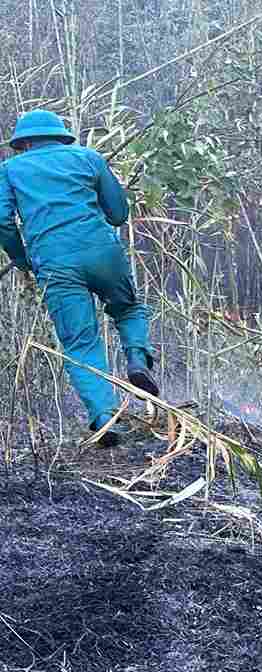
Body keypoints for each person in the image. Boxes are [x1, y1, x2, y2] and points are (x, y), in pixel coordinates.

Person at [0, 109, 157, 448]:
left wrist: (20, 258)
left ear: (24, 143)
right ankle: (137, 359)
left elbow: (2, 220)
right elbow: (118, 214)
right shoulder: (89, 157)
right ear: (61, 137)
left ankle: (104, 418)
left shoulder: (10, 170)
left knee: (80, 342)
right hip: (103, 254)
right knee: (128, 309)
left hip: (55, 264)